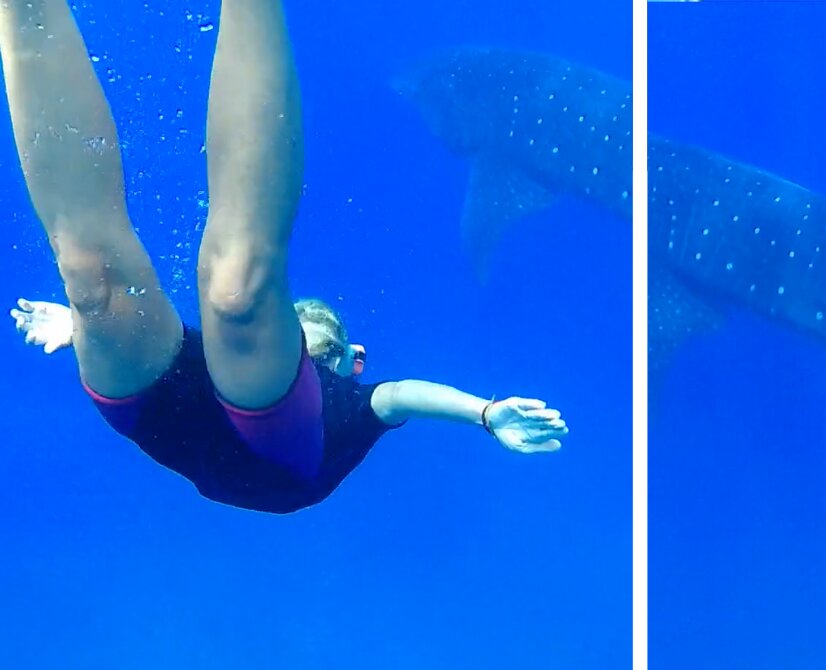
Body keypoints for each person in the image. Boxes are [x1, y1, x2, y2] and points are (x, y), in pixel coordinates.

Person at [0, 0, 567, 514]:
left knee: (129, 286)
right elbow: (405, 393)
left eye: (326, 340)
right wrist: (485, 412)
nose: (315, 340)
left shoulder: (347, 400)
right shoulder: (313, 376)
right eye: (303, 328)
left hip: (204, 424)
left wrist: (486, 416)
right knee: (187, 290)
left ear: (354, 358)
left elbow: (400, 396)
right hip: (218, 399)